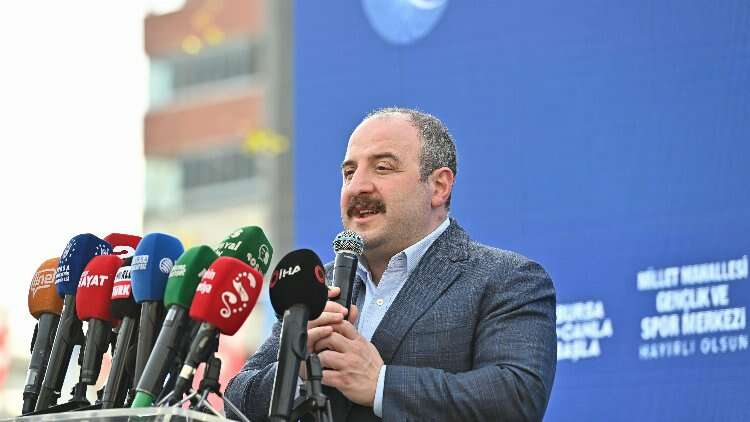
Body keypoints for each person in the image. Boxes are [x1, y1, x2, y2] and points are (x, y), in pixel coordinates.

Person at [225, 108, 557, 421]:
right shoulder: (316, 284)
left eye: (382, 168)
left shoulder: (506, 279)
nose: (357, 186)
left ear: (439, 186)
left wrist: (381, 384)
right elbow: (235, 400)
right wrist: (295, 368)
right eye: (349, 173)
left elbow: (517, 397)